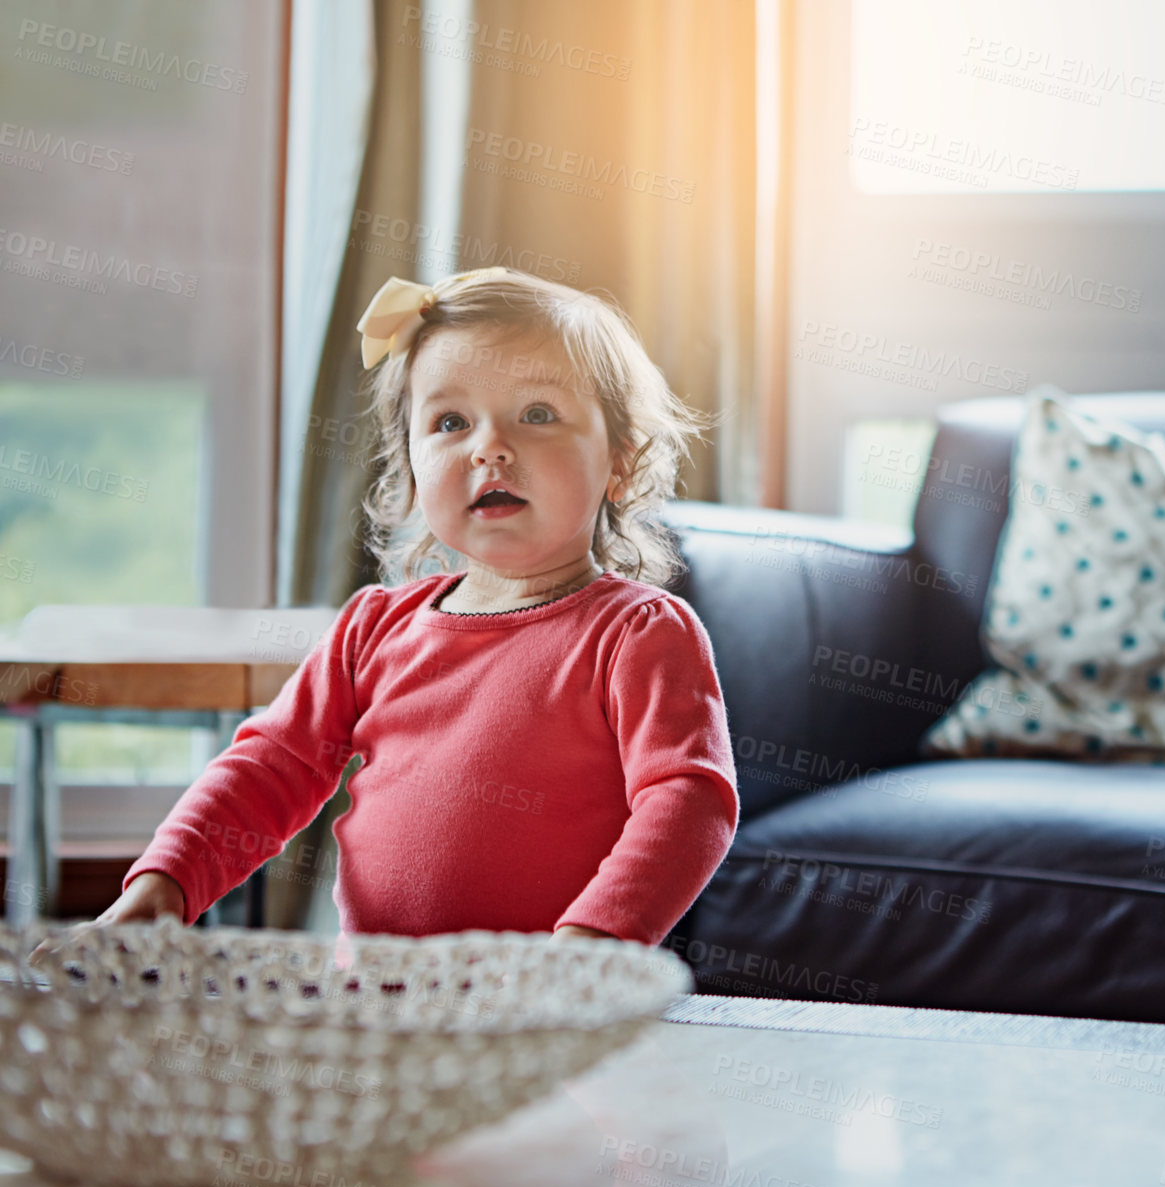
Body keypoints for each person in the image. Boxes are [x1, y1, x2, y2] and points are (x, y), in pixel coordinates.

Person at [97, 266, 739, 944]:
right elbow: (267, 770)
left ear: (619, 464)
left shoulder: (637, 634)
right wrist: (160, 887)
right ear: (409, 469)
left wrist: (592, 946)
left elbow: (688, 802)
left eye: (538, 415)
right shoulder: (372, 629)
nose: (489, 447)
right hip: (378, 1012)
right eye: (451, 422)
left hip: (554, 1017)